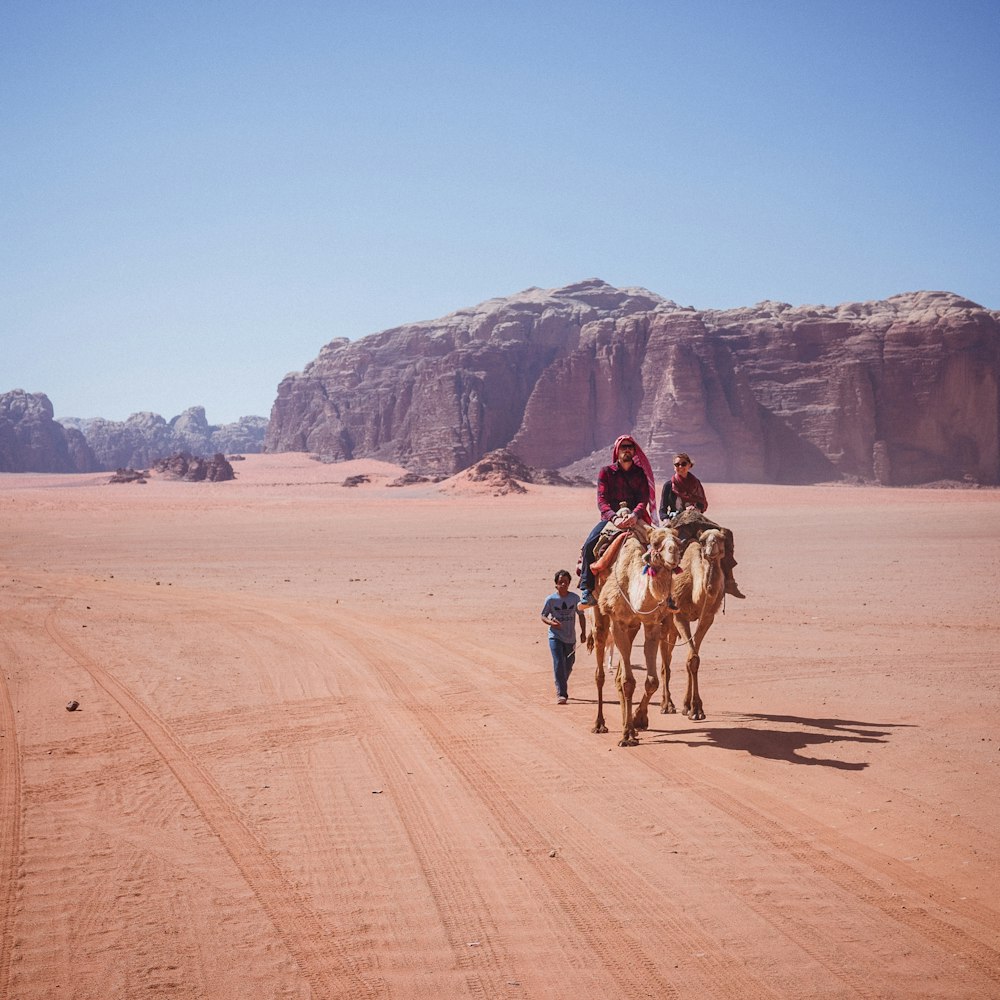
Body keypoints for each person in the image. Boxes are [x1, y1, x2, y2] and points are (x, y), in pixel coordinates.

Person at [577, 434, 656, 608]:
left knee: (661, 543)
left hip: (635, 518)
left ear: (634, 451)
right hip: (613, 518)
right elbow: (602, 501)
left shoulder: (639, 474)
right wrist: (615, 517)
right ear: (617, 450)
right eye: (624, 447)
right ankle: (586, 589)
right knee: (590, 544)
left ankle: (667, 593)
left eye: (630, 447)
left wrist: (635, 515)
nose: (627, 450)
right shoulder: (606, 472)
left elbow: (643, 499)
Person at [658, 451, 746, 598]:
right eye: (677, 464)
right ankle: (665, 590)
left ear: (689, 466)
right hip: (677, 521)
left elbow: (703, 503)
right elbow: (662, 510)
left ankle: (730, 582)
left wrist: (696, 508)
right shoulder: (669, 485)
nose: (680, 467)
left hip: (696, 520)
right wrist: (667, 521)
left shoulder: (696, 483)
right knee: (668, 547)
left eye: (683, 464)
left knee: (725, 534)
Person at [541, 569, 587, 704]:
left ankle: (561, 681)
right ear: (556, 584)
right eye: (560, 582)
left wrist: (583, 632)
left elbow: (581, 615)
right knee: (559, 662)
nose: (563, 585)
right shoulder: (551, 600)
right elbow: (543, 615)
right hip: (555, 636)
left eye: (566, 582)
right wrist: (551, 623)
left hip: (570, 637)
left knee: (569, 664)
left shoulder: (574, 598)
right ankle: (562, 693)